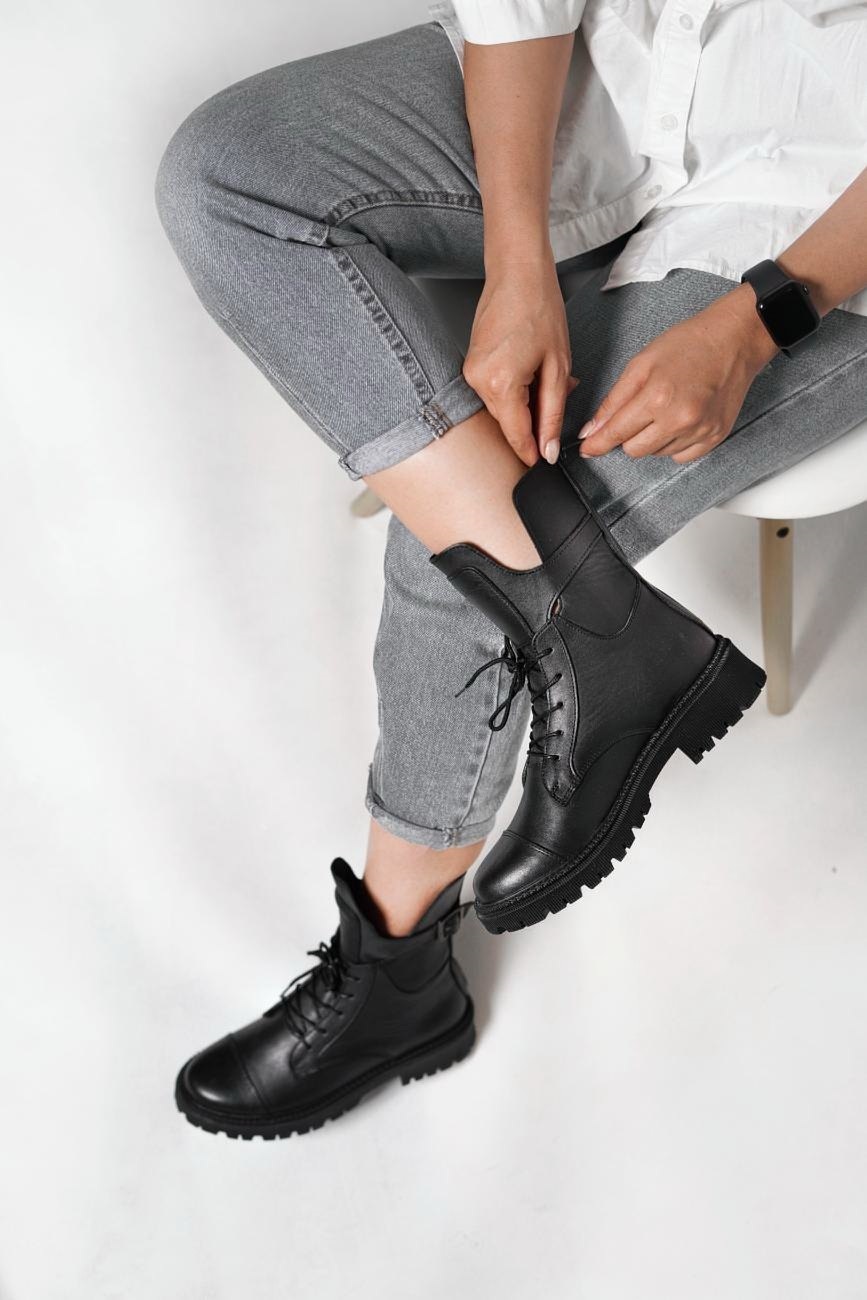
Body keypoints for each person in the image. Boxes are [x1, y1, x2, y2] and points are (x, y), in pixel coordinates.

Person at [154, 0, 867, 1139]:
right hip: (625, 76)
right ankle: (603, 633)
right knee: (226, 171)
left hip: (829, 217)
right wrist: (515, 256)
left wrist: (758, 320)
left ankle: (397, 973)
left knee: (470, 537)